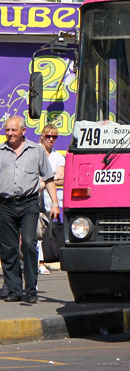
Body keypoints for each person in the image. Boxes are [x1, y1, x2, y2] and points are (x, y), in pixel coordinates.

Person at [0, 116, 59, 304]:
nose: (9, 133)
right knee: (8, 249)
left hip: (28, 204)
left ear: (23, 131)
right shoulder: (0, 151)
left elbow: (49, 178)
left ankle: (31, 289)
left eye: (13, 130)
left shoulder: (36, 151)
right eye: (7, 130)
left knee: (28, 243)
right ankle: (14, 290)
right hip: (5, 204)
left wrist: (55, 203)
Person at [36, 124, 64, 275]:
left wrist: (45, 181)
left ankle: (39, 261)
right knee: (32, 233)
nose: (51, 139)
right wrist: (51, 178)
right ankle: (38, 262)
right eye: (48, 136)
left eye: (54, 136)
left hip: (48, 201)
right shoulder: (34, 152)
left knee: (42, 233)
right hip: (31, 199)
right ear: (42, 136)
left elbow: (61, 179)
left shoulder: (58, 156)